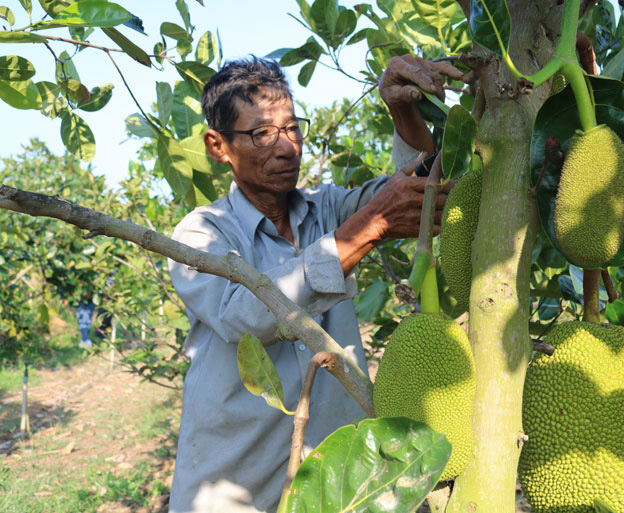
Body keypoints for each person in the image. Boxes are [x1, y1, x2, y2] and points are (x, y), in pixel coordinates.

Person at [167, 54, 462, 513]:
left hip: (339, 485)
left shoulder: (329, 209)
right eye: (261, 133)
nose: (286, 148)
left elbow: (420, 188)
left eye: (291, 128)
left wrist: (402, 109)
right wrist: (368, 227)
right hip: (236, 489)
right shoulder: (202, 233)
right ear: (217, 145)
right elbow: (244, 315)